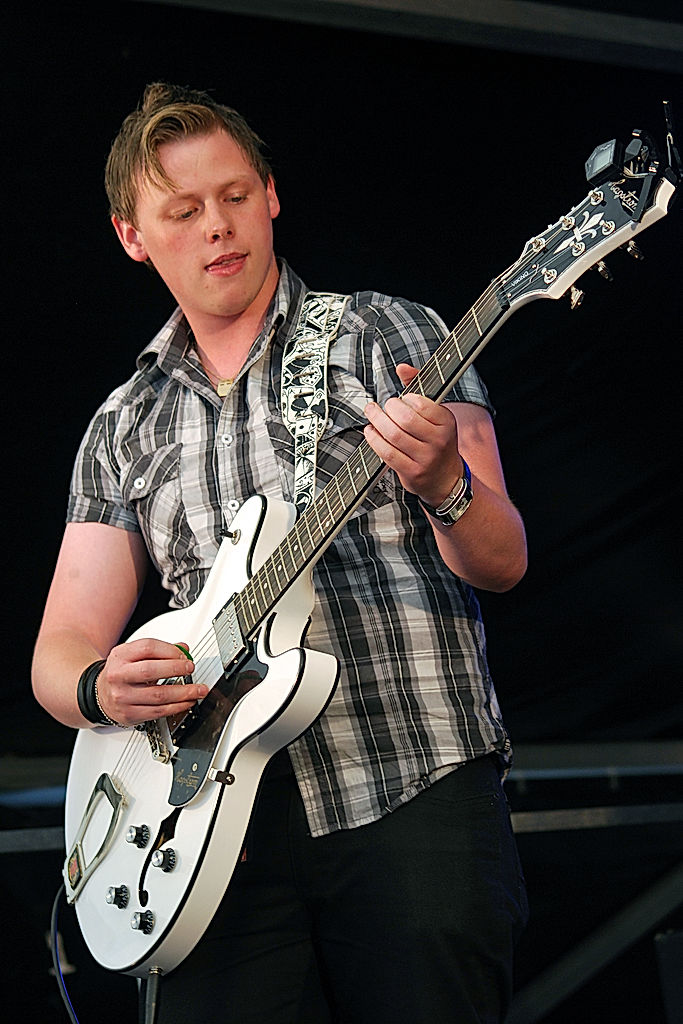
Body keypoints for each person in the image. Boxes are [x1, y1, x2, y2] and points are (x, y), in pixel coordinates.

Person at [32, 82, 529, 1024]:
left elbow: (501, 560)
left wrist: (444, 486)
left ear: (269, 195)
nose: (217, 226)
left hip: (409, 786)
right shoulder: (123, 422)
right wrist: (102, 687)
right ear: (133, 236)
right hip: (208, 842)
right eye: (183, 210)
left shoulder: (391, 333)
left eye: (232, 195)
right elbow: (60, 652)